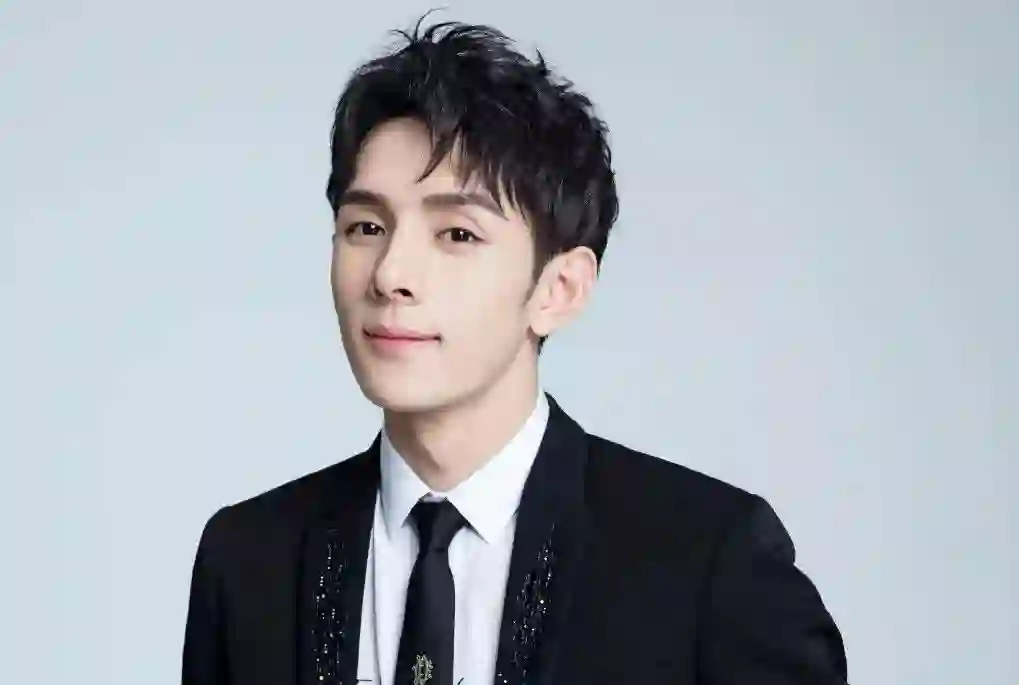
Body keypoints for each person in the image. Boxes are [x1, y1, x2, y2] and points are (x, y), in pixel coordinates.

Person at [182, 17, 848, 685]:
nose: (390, 274)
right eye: (365, 226)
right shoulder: (247, 560)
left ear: (559, 289)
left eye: (457, 234)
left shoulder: (707, 562)